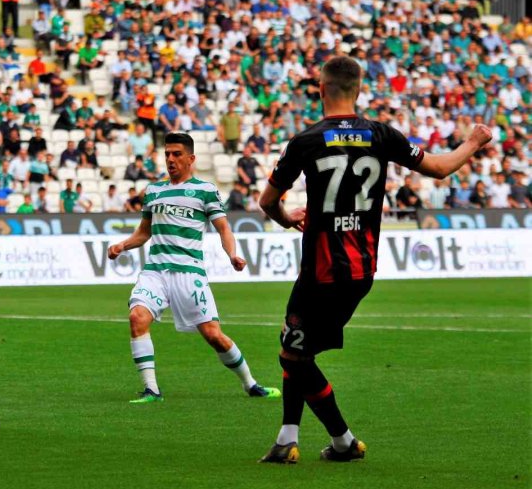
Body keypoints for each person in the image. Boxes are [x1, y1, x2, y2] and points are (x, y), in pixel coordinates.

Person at [257, 56, 493, 464]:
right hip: (363, 269)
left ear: (320, 89)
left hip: (321, 270)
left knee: (291, 354)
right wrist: (473, 142)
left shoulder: (306, 141)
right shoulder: (381, 134)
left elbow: (267, 201)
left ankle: (344, 441)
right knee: (299, 348)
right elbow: (438, 168)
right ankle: (286, 439)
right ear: (360, 90)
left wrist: (285, 218)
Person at [108, 133, 278, 404]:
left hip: (189, 272)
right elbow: (144, 233)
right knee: (137, 317)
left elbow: (224, 228)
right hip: (155, 270)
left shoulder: (205, 190)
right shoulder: (154, 191)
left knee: (213, 335)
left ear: (191, 158)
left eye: (176, 154)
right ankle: (152, 389)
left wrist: (232, 254)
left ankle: (250, 384)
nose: (170, 160)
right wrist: (122, 245)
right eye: (167, 154)